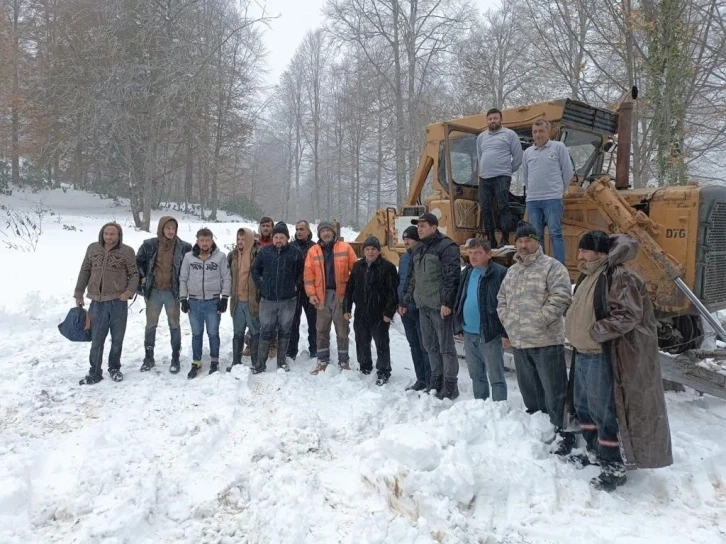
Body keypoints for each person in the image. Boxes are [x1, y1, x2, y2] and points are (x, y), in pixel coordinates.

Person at [564, 230, 673, 491]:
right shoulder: (590, 273)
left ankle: (613, 464)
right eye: (580, 250)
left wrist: (594, 333)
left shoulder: (619, 275)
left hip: (601, 353)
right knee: (583, 406)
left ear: (601, 253)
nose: (579, 254)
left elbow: (627, 315)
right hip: (583, 352)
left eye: (585, 250)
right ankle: (593, 450)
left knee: (603, 410)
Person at [497, 221, 574, 454]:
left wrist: (541, 319)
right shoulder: (513, 271)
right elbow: (501, 300)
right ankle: (537, 427)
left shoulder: (552, 267)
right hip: (520, 341)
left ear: (537, 241)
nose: (523, 245)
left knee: (554, 390)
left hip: (545, 340)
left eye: (527, 240)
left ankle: (563, 433)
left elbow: (562, 296)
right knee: (529, 390)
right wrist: (509, 321)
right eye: (519, 241)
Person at [401, 213, 461, 400]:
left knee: (445, 347)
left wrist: (447, 302)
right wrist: (405, 300)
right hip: (423, 305)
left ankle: (450, 385)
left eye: (423, 225)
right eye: (418, 226)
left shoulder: (446, 246)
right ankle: (436, 380)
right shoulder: (418, 249)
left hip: (439, 306)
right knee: (430, 346)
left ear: (434, 227)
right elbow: (412, 278)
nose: (419, 228)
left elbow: (452, 276)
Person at [74, 222, 138, 385]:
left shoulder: (127, 251)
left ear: (119, 235)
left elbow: (134, 274)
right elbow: (84, 271)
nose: (109, 237)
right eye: (106, 234)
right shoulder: (93, 249)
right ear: (102, 234)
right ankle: (95, 371)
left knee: (117, 338)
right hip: (97, 302)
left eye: (113, 234)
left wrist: (128, 293)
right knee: (97, 339)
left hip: (118, 302)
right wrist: (79, 293)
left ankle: (114, 367)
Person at [454, 238, 508, 401]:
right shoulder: (467, 273)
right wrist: (458, 325)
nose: (473, 257)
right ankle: (481, 406)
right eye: (470, 253)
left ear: (489, 254)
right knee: (476, 375)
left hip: (490, 333)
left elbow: (508, 304)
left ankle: (499, 408)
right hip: (469, 332)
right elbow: (460, 298)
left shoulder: (500, 273)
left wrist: (505, 333)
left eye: (477, 253)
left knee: (496, 377)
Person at [136, 216, 192, 374]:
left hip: (172, 293)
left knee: (174, 325)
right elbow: (138, 261)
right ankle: (148, 357)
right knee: (150, 325)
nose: (171, 231)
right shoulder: (150, 245)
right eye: (168, 228)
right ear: (161, 228)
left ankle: (175, 357)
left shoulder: (184, 247)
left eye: (173, 228)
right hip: (153, 291)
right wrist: (143, 276)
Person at [344, 236, 398, 386]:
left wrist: (388, 312)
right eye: (367, 249)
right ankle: (365, 366)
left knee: (381, 343)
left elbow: (392, 292)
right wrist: (347, 308)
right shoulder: (357, 267)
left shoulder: (387, 267)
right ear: (364, 251)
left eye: (373, 249)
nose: (370, 252)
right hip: (361, 312)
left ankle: (384, 371)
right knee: (362, 341)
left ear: (378, 251)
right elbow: (350, 289)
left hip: (379, 313)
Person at [304, 221, 358, 374]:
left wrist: (351, 294)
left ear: (334, 233)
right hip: (321, 297)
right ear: (319, 234)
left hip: (340, 296)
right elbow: (308, 276)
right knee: (321, 330)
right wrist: (311, 294)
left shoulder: (345, 248)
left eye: (328, 230)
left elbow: (355, 271)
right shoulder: (313, 251)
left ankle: (343, 361)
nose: (326, 233)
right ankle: (322, 360)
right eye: (323, 231)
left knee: (342, 330)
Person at [179, 228, 231, 379]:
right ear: (197, 241)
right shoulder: (188, 257)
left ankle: (214, 360)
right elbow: (183, 278)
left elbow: (227, 278)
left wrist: (225, 298)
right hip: (194, 302)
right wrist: (183, 299)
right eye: (201, 240)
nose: (204, 243)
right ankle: (196, 362)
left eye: (207, 240)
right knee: (196, 334)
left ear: (212, 241)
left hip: (212, 301)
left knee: (213, 333)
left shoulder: (220, 257)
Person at [251, 221, 304, 373]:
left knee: (285, 331)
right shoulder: (265, 252)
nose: (278, 240)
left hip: (288, 300)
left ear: (287, 238)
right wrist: (262, 285)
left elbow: (302, 272)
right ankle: (260, 364)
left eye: (281, 237)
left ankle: (281, 362)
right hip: (268, 300)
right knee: (266, 331)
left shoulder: (295, 253)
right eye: (276, 237)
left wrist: (296, 285)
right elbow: (255, 270)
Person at [521, 119, 574, 264]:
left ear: (548, 131)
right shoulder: (527, 153)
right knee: (536, 235)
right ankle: (540, 266)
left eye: (541, 131)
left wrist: (561, 190)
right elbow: (526, 175)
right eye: (535, 132)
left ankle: (559, 267)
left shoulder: (558, 147)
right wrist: (531, 191)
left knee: (555, 233)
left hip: (552, 199)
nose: (538, 135)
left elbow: (568, 171)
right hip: (533, 201)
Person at [476, 107, 523, 248]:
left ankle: (505, 237)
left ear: (501, 119)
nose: (492, 121)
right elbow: (480, 156)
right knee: (485, 207)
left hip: (502, 176)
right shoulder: (481, 137)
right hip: (485, 177)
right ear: (487, 121)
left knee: (503, 206)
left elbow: (518, 156)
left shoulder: (510, 134)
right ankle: (491, 239)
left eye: (495, 118)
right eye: (490, 119)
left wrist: (508, 170)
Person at [397, 226, 431, 391]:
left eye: (409, 239)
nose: (406, 242)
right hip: (405, 309)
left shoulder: (424, 256)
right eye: (404, 239)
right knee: (414, 345)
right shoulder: (403, 258)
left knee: (425, 346)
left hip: (420, 308)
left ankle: (430, 380)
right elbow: (401, 282)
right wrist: (400, 303)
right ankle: (421, 379)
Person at [227, 227, 260, 372]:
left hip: (252, 300)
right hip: (237, 300)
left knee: (254, 331)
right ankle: (236, 361)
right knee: (238, 332)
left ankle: (256, 363)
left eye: (244, 239)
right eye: (238, 239)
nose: (240, 242)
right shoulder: (232, 255)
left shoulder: (257, 253)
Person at [288, 220, 317, 360]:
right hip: (295, 290)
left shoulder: (315, 248)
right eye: (297, 229)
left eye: (302, 229)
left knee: (313, 322)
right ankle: (291, 351)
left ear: (308, 231)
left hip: (311, 291)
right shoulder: (291, 246)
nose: (299, 231)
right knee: (293, 322)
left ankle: (315, 350)